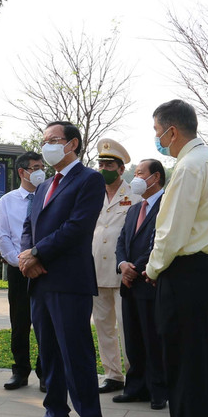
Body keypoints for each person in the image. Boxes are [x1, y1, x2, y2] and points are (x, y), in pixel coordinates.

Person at [144, 99, 208, 417]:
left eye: (157, 132)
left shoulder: (189, 166)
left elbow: (172, 231)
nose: (157, 139)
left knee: (183, 365)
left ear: (172, 131)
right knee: (203, 364)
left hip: (187, 272)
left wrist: (153, 268)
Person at [17, 121, 105, 417]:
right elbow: (29, 226)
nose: (47, 146)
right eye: (44, 141)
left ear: (73, 144)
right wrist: (28, 256)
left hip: (69, 283)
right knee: (50, 355)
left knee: (75, 355)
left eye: (54, 140)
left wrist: (37, 254)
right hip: (40, 281)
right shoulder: (43, 186)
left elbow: (77, 227)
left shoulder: (89, 179)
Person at [114, 159, 167, 409]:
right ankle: (135, 388)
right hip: (129, 284)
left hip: (150, 281)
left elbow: (159, 243)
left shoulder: (167, 205)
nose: (135, 178)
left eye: (140, 173)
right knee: (133, 338)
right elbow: (122, 240)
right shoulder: (135, 208)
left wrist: (135, 268)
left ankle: (158, 391)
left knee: (153, 338)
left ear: (155, 177)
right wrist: (122, 264)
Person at [91, 138, 139, 394]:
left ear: (121, 169)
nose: (104, 169)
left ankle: (134, 374)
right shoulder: (92, 194)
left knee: (127, 326)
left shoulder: (135, 196)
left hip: (123, 273)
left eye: (109, 165)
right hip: (96, 271)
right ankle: (112, 375)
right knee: (103, 326)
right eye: (100, 164)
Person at [0, 151, 45, 391]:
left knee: (46, 322)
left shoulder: (50, 195)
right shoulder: (7, 200)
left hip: (45, 267)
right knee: (19, 322)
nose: (40, 172)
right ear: (22, 172)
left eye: (42, 167)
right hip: (19, 269)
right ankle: (20, 371)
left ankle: (46, 372)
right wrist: (22, 262)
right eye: (35, 167)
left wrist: (38, 259)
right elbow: (2, 236)